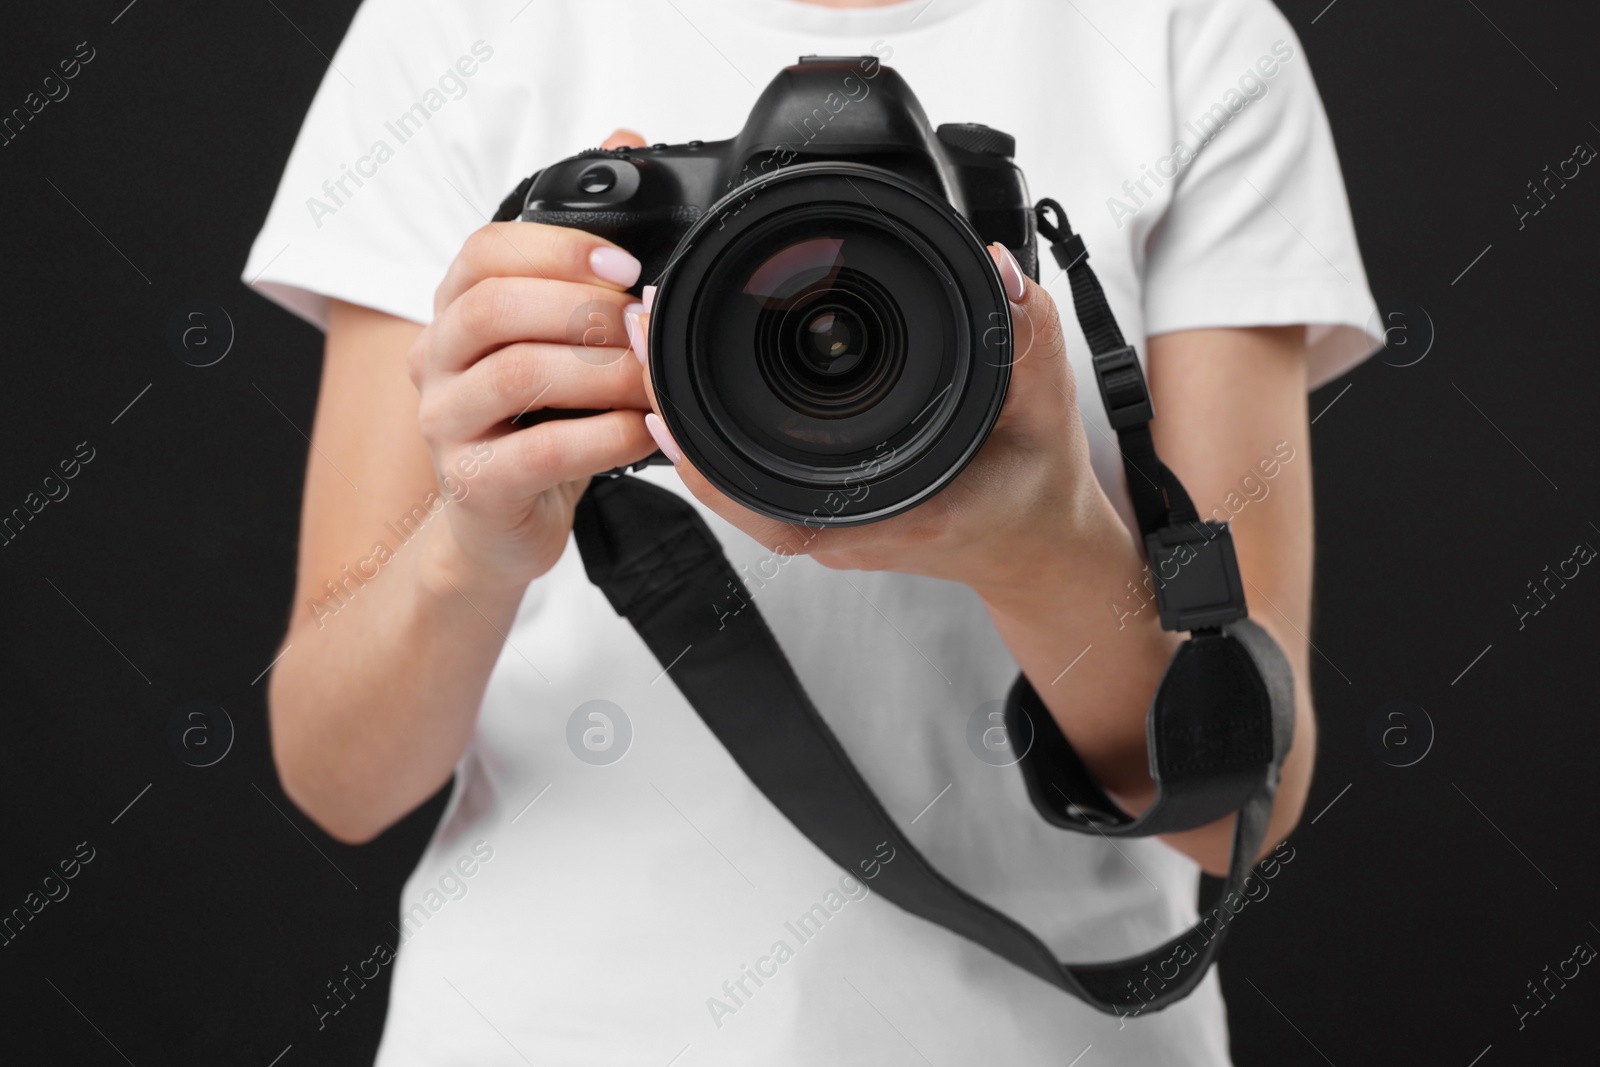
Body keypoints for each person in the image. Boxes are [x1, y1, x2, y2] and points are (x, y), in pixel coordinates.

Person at [243, 0, 1378, 1062]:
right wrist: (473, 547)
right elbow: (339, 776)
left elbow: (1240, 806)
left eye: (851, 326)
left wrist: (1035, 543)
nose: (828, 337)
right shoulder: (461, 27)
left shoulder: (1190, 35)